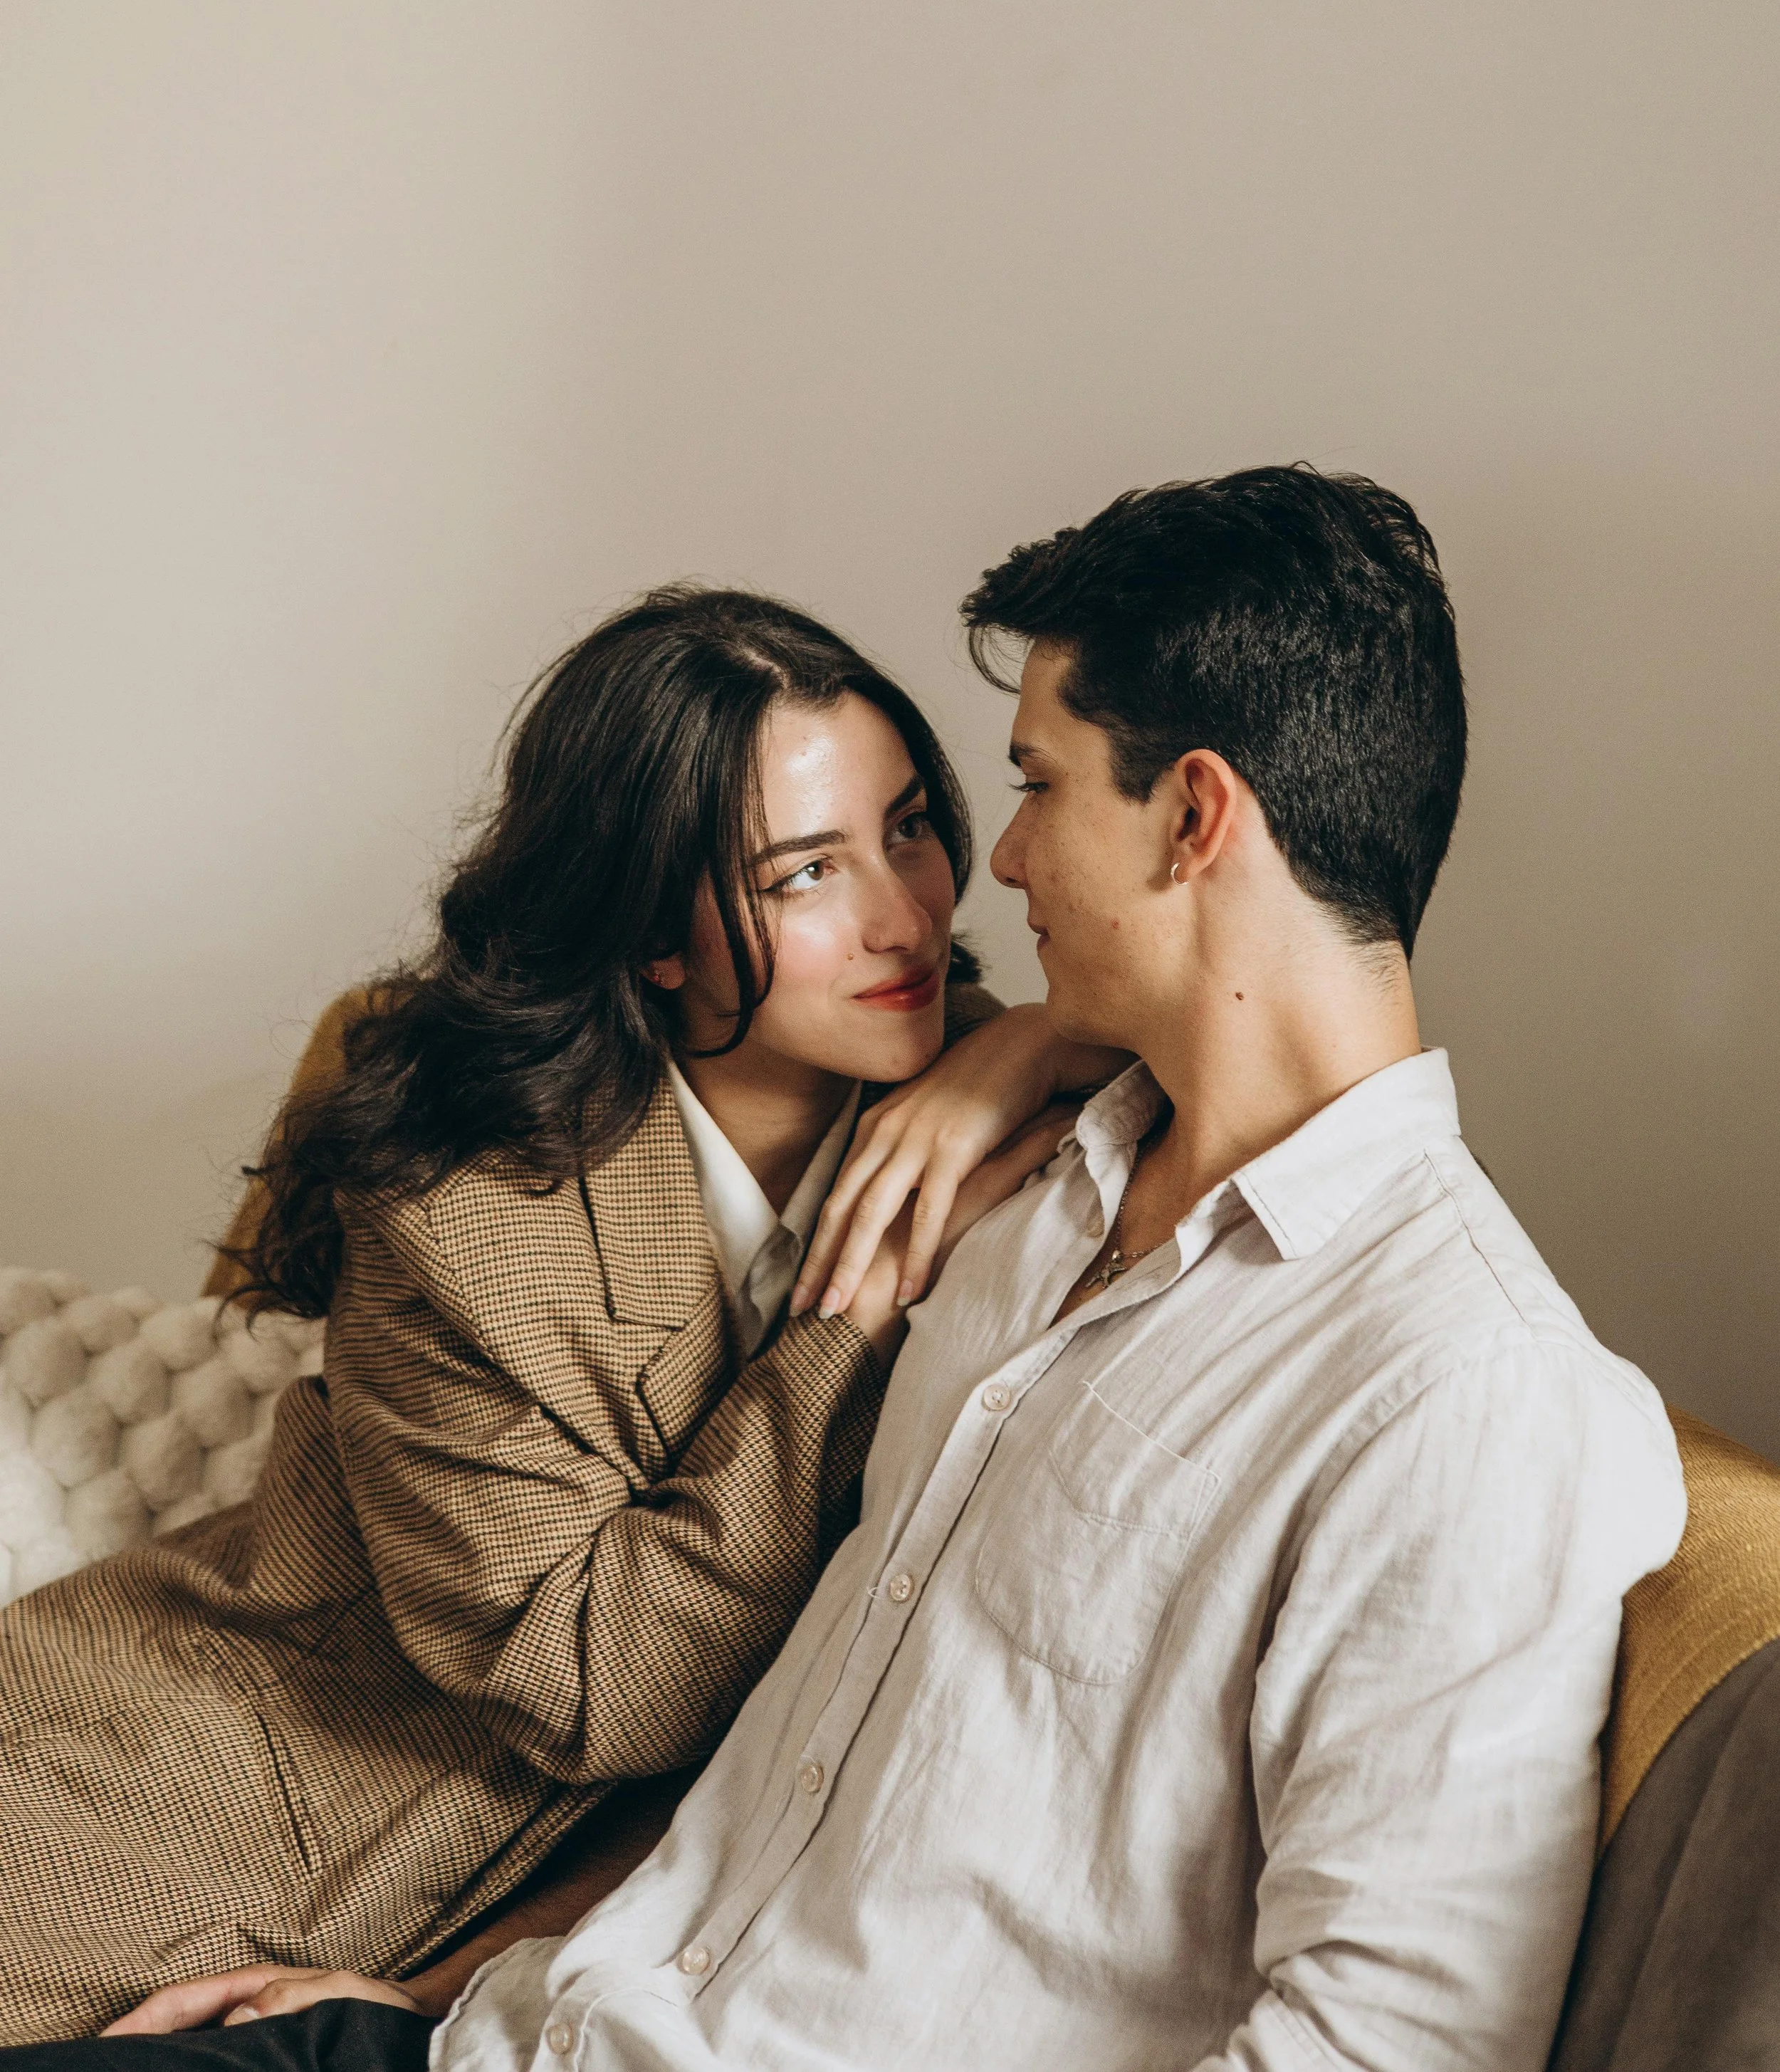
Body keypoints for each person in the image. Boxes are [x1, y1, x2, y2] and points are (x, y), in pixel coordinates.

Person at [44, 471, 1686, 2072]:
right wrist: (445, 1990)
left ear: (1191, 817)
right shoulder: (1023, 1200)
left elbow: (1388, 2032)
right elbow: (765, 1759)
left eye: (1014, 794)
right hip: (373, 1919)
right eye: (814, 867)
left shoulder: (1459, 1391)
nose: (981, 880)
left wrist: (1006, 1064)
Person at [0, 587, 1106, 2046]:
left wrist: (1018, 1042)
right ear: (657, 937)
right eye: (804, 875)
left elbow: (1192, 1014)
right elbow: (606, 1690)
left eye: (907, 827)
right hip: (181, 1791)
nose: (904, 916)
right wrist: (855, 1320)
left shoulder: (990, 1105)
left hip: (508, 1903)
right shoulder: (463, 1223)